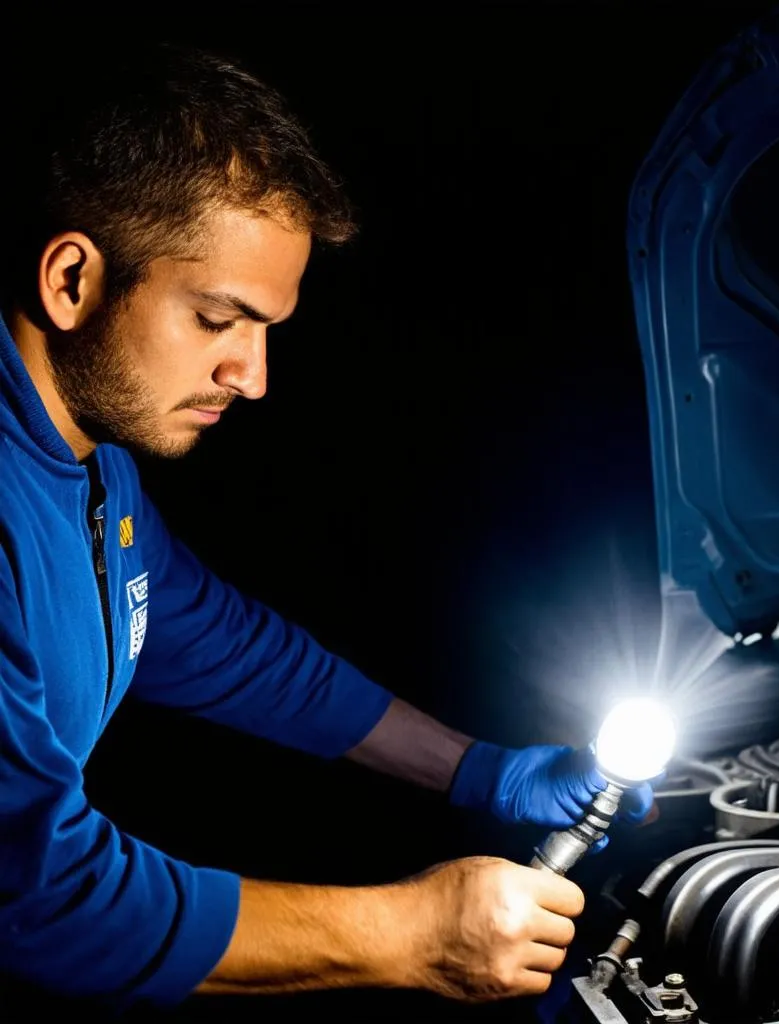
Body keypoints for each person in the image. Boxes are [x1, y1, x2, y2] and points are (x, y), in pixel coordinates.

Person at [0, 44, 656, 1013]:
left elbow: (220, 646)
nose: (252, 377)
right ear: (71, 280)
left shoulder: (100, 462)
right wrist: (411, 933)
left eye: (267, 328)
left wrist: (482, 772)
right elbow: (35, 894)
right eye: (218, 319)